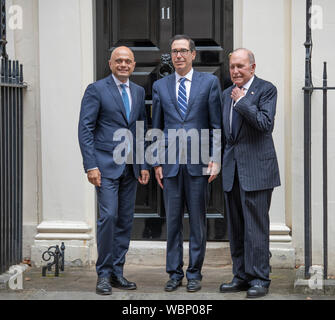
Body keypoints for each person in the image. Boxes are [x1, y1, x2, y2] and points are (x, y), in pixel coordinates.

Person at [152, 34, 222, 292]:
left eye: (183, 51)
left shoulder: (209, 83)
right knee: (172, 222)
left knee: (198, 221)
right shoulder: (161, 86)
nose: (178, 55)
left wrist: (215, 158)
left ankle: (194, 273)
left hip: (199, 163)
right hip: (170, 165)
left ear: (193, 54)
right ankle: (173, 273)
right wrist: (156, 162)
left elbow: (216, 125)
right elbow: (156, 127)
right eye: (174, 51)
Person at [78, 46, 150, 295]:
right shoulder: (96, 89)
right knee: (108, 217)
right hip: (105, 166)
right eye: (118, 60)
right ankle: (104, 274)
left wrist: (143, 165)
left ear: (133, 64)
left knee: (124, 220)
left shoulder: (139, 92)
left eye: (127, 61)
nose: (123, 64)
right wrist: (91, 165)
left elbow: (141, 129)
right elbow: (85, 129)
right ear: (110, 63)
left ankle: (118, 271)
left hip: (130, 168)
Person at [219, 48, 281, 298]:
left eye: (240, 66)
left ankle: (259, 278)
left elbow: (265, 124)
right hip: (232, 170)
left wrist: (242, 102)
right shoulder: (226, 94)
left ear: (252, 68)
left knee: (256, 227)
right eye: (232, 66)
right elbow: (227, 135)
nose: (235, 71)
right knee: (236, 227)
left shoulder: (266, 90)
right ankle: (241, 276)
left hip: (257, 170)